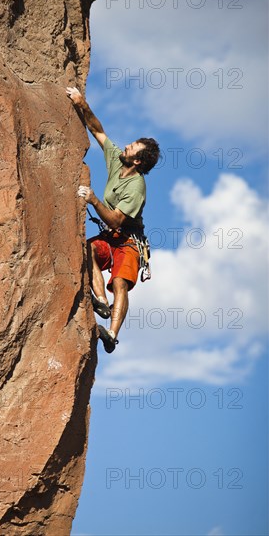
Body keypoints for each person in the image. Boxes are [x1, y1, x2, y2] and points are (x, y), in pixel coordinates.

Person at [66, 86, 160, 353]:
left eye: (132, 148)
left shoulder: (136, 187)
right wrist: (82, 104)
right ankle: (101, 301)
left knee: (121, 282)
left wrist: (95, 200)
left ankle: (111, 334)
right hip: (111, 237)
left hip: (129, 241)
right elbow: (98, 131)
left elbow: (118, 221)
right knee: (88, 250)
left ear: (138, 161)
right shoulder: (118, 162)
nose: (126, 146)